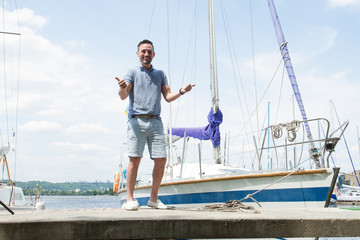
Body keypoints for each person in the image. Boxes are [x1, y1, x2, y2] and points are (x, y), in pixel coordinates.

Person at [115, 39, 195, 211]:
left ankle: (153, 199)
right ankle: (129, 199)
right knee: (134, 160)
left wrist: (182, 91)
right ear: (138, 54)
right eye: (143, 51)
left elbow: (167, 97)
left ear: (154, 54)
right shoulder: (132, 72)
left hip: (156, 121)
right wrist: (122, 87)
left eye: (149, 51)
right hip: (136, 120)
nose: (146, 54)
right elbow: (123, 95)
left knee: (161, 160)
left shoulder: (160, 74)